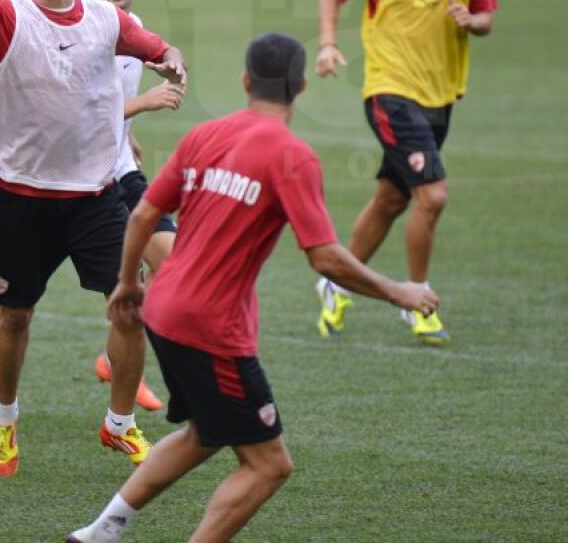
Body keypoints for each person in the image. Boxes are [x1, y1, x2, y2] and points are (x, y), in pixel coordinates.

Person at [66, 33, 440, 543]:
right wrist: (400, 291)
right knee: (269, 464)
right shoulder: (292, 155)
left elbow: (145, 214)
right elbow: (325, 256)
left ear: (245, 82)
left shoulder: (204, 135)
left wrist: (130, 283)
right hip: (210, 326)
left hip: (164, 309)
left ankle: (103, 530)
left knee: (203, 433)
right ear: (302, 86)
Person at [0, 0, 188, 477]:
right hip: (21, 198)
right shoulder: (6, 16)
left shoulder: (108, 19)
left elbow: (155, 48)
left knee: (132, 305)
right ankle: (4, 417)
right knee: (15, 315)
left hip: (95, 196)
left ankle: (118, 425)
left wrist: (172, 59)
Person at [314, 0, 497, 345]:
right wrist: (329, 44)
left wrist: (469, 20)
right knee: (432, 195)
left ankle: (335, 281)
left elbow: (486, 18)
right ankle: (417, 297)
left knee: (392, 199)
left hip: (440, 97)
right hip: (390, 92)